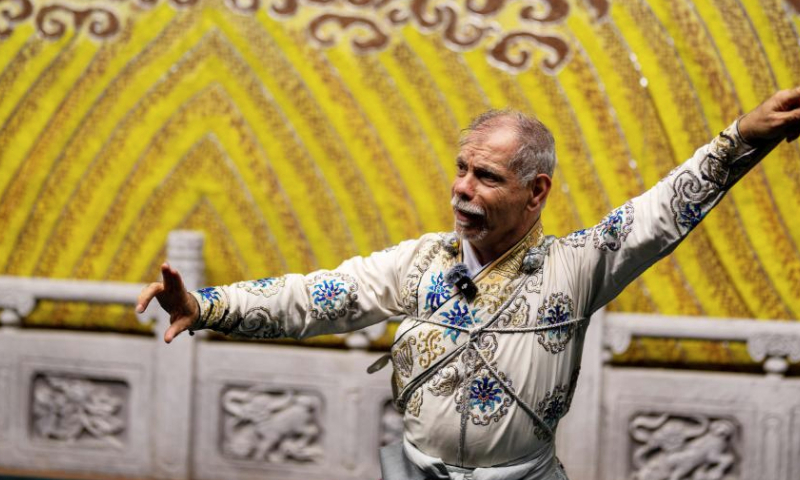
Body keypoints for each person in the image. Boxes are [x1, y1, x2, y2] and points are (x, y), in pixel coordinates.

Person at [137, 88, 800, 480]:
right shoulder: (420, 264)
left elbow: (660, 211)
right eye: (460, 170)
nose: (461, 188)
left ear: (536, 192)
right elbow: (319, 294)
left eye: (486, 176)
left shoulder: (577, 266)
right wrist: (206, 303)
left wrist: (741, 137)